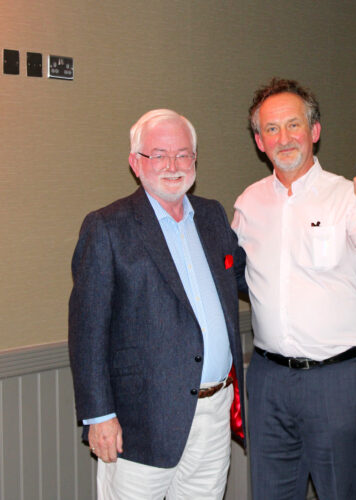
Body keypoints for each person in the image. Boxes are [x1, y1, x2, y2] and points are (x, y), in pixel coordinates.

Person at [232, 78, 356, 500]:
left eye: (293, 125)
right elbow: (233, 274)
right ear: (259, 141)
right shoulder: (247, 204)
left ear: (314, 131)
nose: (284, 138)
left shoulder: (349, 197)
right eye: (271, 129)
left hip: (340, 379)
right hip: (269, 381)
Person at [69, 109, 246, 500]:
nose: (173, 165)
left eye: (183, 154)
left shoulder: (214, 218)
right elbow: (87, 331)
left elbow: (250, 278)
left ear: (196, 161)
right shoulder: (107, 226)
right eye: (159, 154)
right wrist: (99, 416)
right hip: (139, 426)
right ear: (136, 163)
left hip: (215, 414)